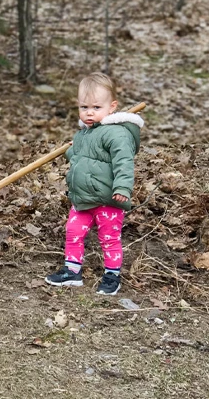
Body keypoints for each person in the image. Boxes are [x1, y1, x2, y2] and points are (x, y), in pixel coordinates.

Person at [45, 72, 144, 295]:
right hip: (83, 198)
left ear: (112, 107)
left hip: (108, 199)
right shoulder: (84, 134)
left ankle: (112, 275)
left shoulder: (117, 134)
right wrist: (72, 150)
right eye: (84, 107)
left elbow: (124, 163)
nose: (89, 112)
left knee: (109, 238)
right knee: (73, 231)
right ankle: (72, 271)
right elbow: (82, 159)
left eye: (97, 107)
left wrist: (122, 188)